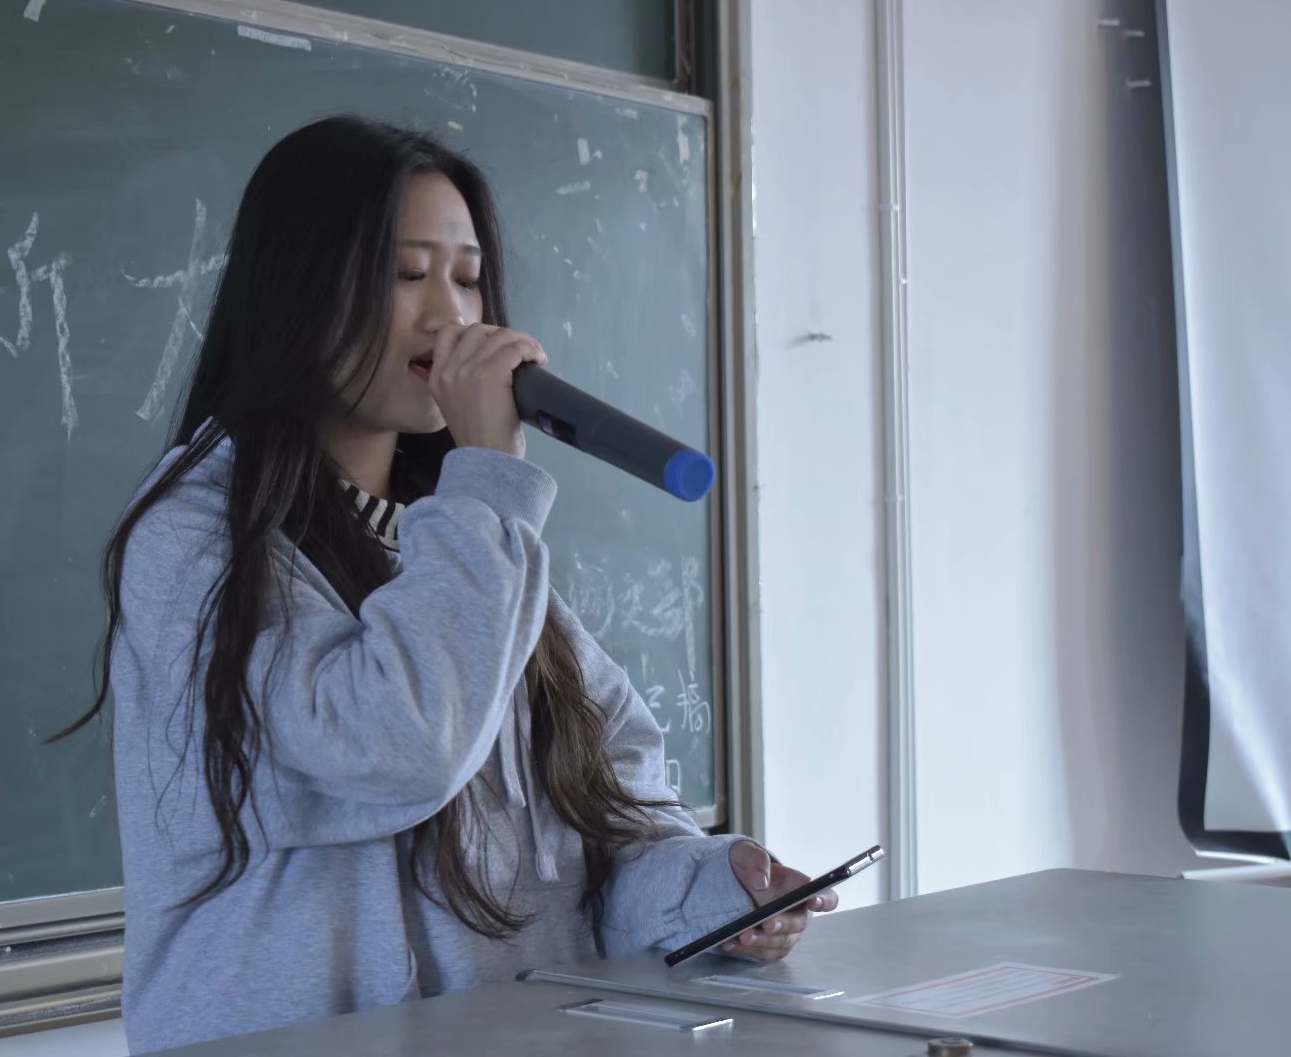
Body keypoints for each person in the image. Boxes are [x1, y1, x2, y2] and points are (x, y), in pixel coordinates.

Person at [61, 116, 837, 1051]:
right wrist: (488, 481)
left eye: (467, 279)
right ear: (299, 288)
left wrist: (720, 892)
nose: (450, 319)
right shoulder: (196, 535)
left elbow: (603, 841)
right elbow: (400, 749)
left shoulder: (464, 539)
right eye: (405, 274)